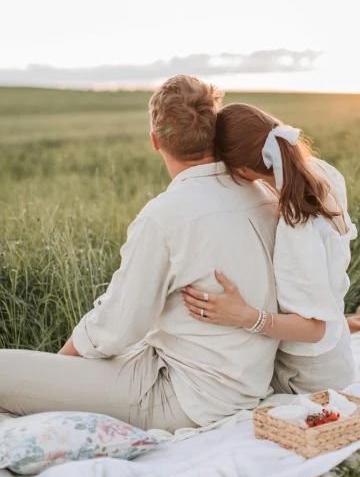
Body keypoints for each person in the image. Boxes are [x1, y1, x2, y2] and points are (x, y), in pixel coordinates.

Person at [0, 77, 280, 431]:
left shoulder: (164, 217)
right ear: (214, 133)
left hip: (186, 398)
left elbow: (115, 330)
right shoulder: (263, 195)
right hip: (242, 382)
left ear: (155, 140)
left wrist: (59, 367)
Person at [182, 102, 357, 394]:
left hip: (309, 371)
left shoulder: (295, 225)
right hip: (338, 351)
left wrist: (244, 315)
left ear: (239, 170)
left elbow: (315, 328)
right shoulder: (321, 173)